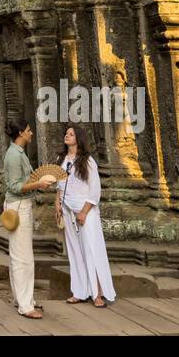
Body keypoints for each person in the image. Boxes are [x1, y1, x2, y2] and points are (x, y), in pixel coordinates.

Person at [2, 117, 57, 318]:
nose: (31, 132)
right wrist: (38, 184)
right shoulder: (14, 156)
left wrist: (38, 182)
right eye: (28, 130)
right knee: (22, 258)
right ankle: (25, 306)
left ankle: (24, 299)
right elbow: (14, 186)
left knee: (22, 255)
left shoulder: (19, 153)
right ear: (21, 134)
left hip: (22, 204)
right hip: (18, 206)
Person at [55, 123, 116, 307]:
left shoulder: (87, 161)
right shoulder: (62, 159)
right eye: (66, 133)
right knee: (74, 252)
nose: (67, 136)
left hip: (85, 210)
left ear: (78, 139)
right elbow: (59, 185)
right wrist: (56, 204)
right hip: (67, 209)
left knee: (91, 250)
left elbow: (95, 190)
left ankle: (97, 294)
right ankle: (79, 291)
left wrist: (84, 212)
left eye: (71, 134)